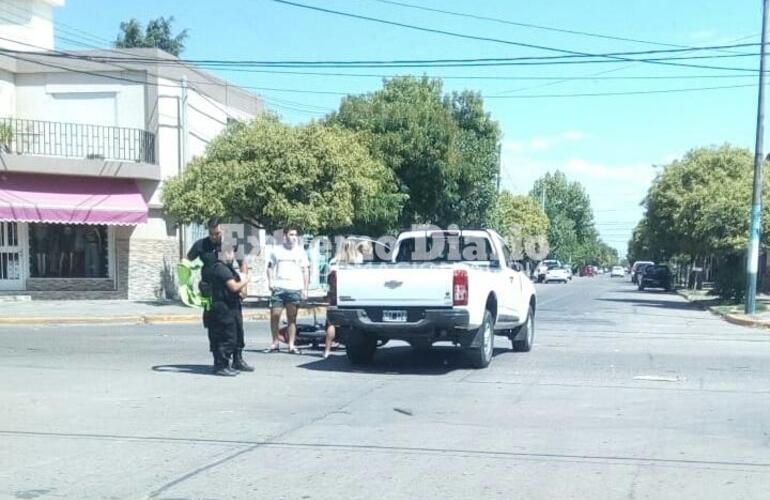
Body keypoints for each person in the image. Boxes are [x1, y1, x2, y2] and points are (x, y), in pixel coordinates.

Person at [204, 245, 251, 376]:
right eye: (230, 252)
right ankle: (221, 365)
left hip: (231, 306)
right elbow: (234, 286)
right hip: (222, 308)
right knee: (226, 337)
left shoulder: (227, 268)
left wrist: (242, 291)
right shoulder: (220, 268)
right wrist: (246, 280)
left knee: (237, 334)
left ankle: (236, 361)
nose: (233, 256)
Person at [266, 227, 309, 355]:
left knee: (292, 317)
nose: (294, 237)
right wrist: (270, 281)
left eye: (295, 234)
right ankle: (275, 342)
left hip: (294, 287)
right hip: (279, 287)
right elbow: (270, 267)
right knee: (275, 315)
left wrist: (305, 289)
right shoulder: (276, 251)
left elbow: (306, 270)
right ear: (285, 235)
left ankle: (291, 345)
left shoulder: (300, 252)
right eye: (291, 234)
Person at [187, 217, 225, 354]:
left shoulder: (231, 243)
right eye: (211, 234)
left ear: (223, 230)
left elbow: (243, 264)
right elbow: (186, 261)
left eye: (217, 234)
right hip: (208, 290)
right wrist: (186, 283)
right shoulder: (201, 244)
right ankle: (217, 356)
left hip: (227, 289)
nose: (214, 237)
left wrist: (244, 287)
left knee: (231, 323)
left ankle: (237, 357)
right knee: (213, 323)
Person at [323, 238, 364, 358]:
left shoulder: (334, 261)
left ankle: (327, 350)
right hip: (354, 294)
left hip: (335, 294)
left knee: (331, 323)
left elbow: (329, 279)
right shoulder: (358, 260)